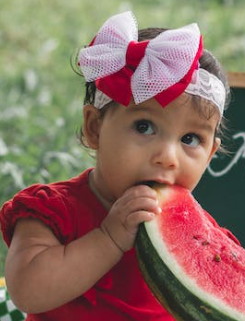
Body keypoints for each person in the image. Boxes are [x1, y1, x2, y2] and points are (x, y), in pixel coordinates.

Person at [0, 11, 230, 320]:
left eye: (190, 138)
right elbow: (28, 292)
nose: (168, 156)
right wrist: (109, 237)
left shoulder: (202, 235)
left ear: (211, 153)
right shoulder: (52, 211)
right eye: (144, 127)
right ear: (95, 127)